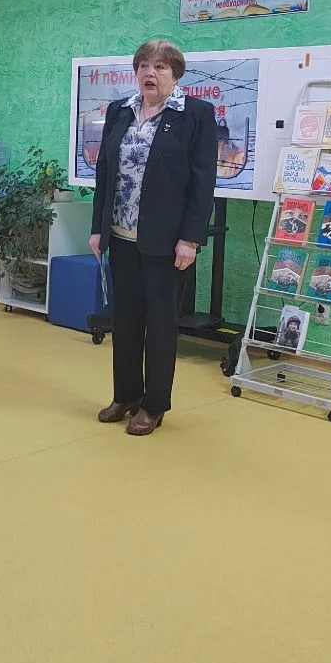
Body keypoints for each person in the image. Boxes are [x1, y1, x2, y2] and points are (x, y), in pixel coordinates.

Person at [89, 39, 218, 436]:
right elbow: (105, 173)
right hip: (121, 234)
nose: (150, 72)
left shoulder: (195, 114)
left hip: (167, 241)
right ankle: (126, 395)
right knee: (126, 320)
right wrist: (98, 227)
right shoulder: (120, 111)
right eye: (144, 65)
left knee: (160, 324)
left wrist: (191, 239)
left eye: (160, 66)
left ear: (175, 74)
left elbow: (203, 184)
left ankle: (154, 404)